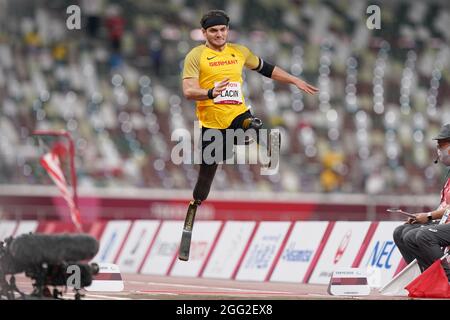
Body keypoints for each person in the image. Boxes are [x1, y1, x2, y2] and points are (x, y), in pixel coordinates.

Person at [179, 10, 318, 260]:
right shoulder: (196, 56)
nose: (219, 34)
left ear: (227, 30)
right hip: (212, 124)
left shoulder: (239, 51)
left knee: (253, 125)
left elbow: (267, 69)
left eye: (222, 29)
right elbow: (189, 91)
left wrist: (294, 79)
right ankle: (196, 203)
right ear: (204, 33)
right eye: (213, 31)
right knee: (207, 175)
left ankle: (257, 143)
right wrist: (211, 93)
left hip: (238, 114)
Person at [393, 123, 450, 280]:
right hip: (446, 224)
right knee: (402, 233)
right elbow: (445, 207)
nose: (439, 149)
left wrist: (429, 216)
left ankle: (447, 279)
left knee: (423, 235)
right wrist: (421, 217)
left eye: (442, 143)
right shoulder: (448, 176)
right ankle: (426, 277)